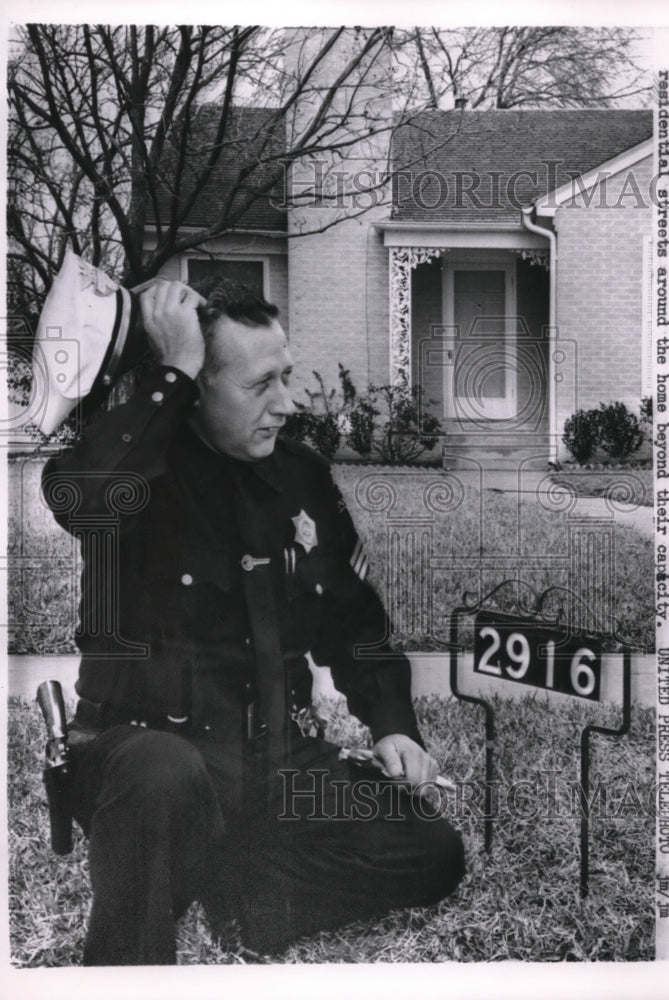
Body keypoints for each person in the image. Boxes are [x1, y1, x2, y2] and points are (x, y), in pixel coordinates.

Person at [42, 276, 465, 965]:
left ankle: (243, 890)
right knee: (159, 773)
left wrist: (392, 724)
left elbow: (354, 622)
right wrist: (168, 374)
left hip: (275, 764)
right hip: (153, 761)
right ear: (195, 388)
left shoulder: (300, 477)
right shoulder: (134, 468)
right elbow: (78, 498)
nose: (287, 404)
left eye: (287, 377)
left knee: (427, 850)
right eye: (259, 385)